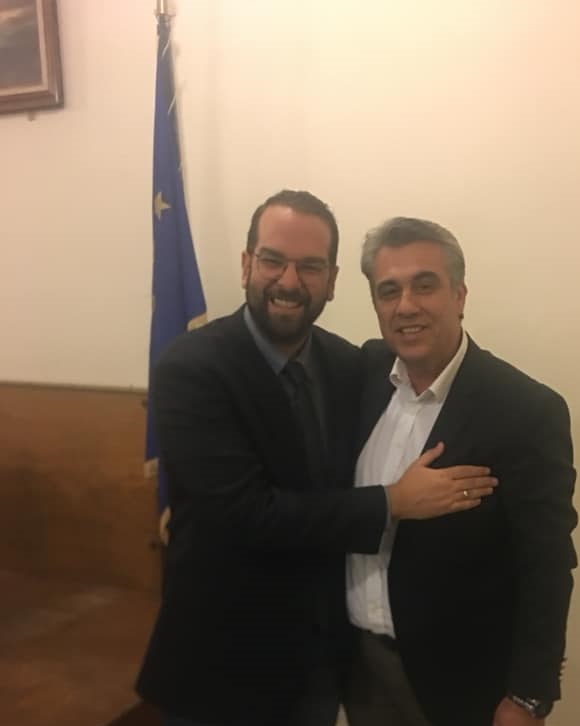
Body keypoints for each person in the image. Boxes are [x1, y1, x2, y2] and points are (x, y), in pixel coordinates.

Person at [135, 191, 496, 726]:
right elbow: (246, 514)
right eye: (272, 260)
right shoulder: (190, 368)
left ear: (331, 280)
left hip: (319, 667)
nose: (288, 281)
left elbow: (426, 356)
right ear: (246, 264)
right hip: (220, 668)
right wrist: (392, 502)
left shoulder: (349, 364)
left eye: (309, 266)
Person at [344, 217, 578, 726]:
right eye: (389, 291)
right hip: (359, 669)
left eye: (424, 285)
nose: (406, 306)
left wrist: (530, 695)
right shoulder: (362, 376)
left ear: (460, 294)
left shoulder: (526, 410)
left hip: (463, 685)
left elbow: (547, 564)